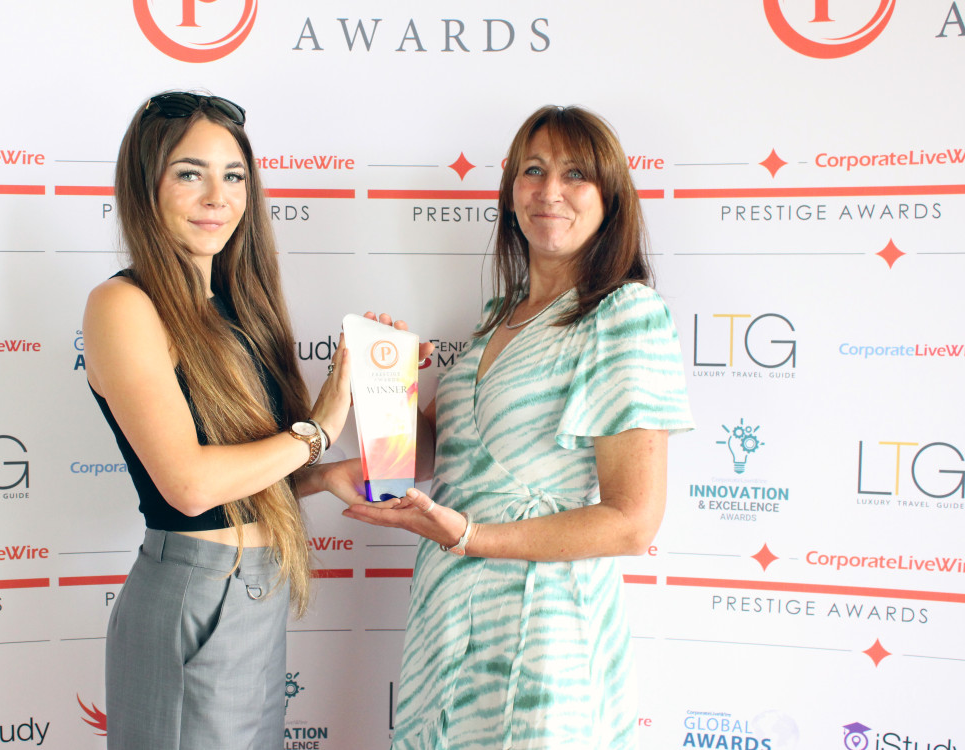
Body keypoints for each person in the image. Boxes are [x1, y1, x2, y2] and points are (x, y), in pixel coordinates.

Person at [344, 105, 694, 749]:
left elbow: (632, 522)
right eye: (533, 170)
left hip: (545, 626)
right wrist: (387, 382)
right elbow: (422, 456)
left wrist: (472, 536)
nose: (549, 191)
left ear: (611, 198)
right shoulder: (494, 319)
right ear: (509, 195)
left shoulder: (624, 314)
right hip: (449, 611)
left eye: (576, 175)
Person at [82, 91, 367, 749]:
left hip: (256, 596)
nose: (218, 196)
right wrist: (316, 430)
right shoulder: (124, 305)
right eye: (190, 173)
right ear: (145, 185)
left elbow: (244, 476)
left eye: (233, 176)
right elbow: (189, 486)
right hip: (194, 596)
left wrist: (322, 475)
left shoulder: (240, 307)